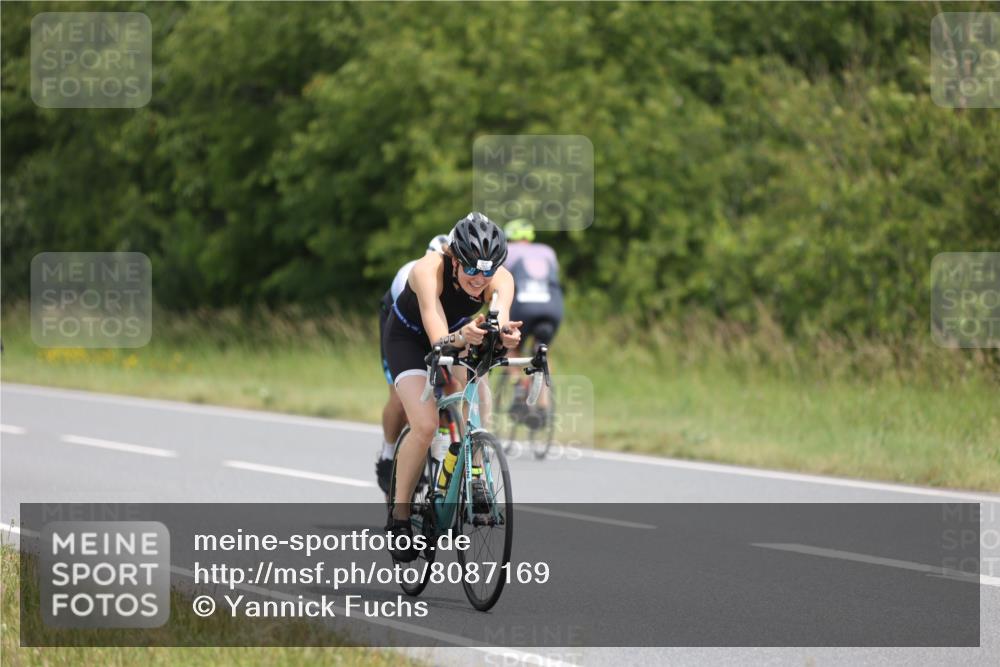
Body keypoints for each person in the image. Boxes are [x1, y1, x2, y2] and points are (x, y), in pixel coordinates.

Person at [383, 212, 521, 561]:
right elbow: (438, 334)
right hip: (410, 339)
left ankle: (475, 470)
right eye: (472, 269)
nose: (480, 278)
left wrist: (505, 337)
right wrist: (463, 337)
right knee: (426, 425)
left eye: (488, 271)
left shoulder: (500, 278)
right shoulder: (427, 270)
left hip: (461, 333)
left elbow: (497, 321)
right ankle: (399, 518)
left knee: (479, 387)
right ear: (455, 259)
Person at [376, 234, 450, 496]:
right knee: (400, 399)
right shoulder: (411, 274)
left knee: (451, 385)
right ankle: (387, 453)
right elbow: (417, 328)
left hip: (437, 327)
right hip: (401, 326)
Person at [502, 219, 563, 416]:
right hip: (552, 307)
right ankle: (544, 407)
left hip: (523, 306)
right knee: (542, 352)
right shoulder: (547, 251)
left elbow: (499, 284)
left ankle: (519, 388)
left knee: (510, 346)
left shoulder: (507, 250)